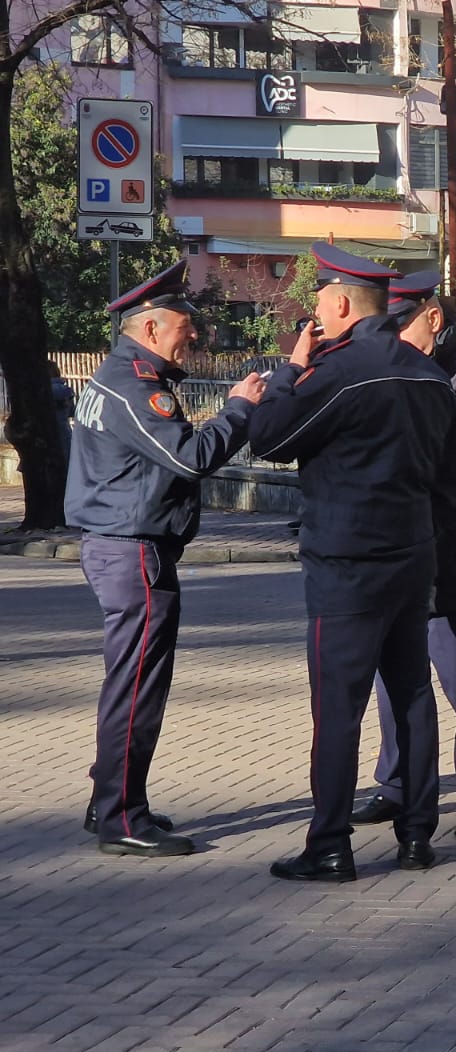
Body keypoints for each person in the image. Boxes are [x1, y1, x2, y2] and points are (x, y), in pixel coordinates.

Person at [248, 244, 456, 883]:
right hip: (412, 553)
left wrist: (290, 370)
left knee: (338, 708)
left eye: (319, 303)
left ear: (340, 304)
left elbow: (269, 438)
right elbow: (443, 469)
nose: (314, 315)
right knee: (412, 695)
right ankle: (417, 836)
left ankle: (330, 846)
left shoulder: (339, 371)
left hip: (347, 562)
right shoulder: (429, 374)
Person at [67, 261, 264, 856]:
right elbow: (189, 458)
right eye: (185, 324)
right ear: (150, 328)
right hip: (132, 552)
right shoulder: (134, 386)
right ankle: (122, 820)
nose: (194, 334)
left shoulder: (121, 376)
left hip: (122, 546)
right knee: (135, 689)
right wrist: (238, 408)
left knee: (128, 682)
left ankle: (112, 799)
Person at [350, 271, 456, 840]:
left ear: (433, 318)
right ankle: (396, 784)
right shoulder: (393, 371)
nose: (392, 337)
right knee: (395, 677)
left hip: (455, 554)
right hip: (401, 551)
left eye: (401, 325)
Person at [48, 362, 75, 460]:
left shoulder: (42, 390)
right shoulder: (66, 391)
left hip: (47, 438)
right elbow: (71, 412)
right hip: (65, 435)